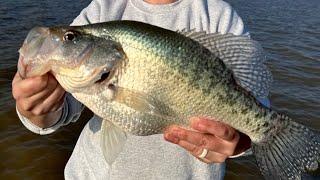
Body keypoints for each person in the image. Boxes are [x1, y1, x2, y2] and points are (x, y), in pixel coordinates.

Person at [12, 0, 270, 179]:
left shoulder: (218, 16)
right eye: (71, 37)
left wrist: (239, 142)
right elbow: (63, 109)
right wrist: (37, 111)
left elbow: (253, 111)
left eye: (70, 38)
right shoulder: (103, 10)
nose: (64, 39)